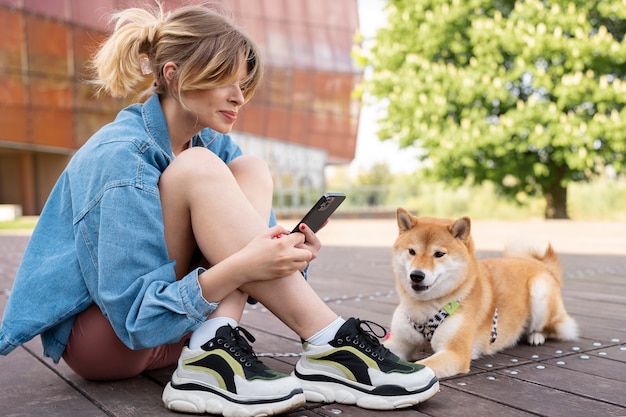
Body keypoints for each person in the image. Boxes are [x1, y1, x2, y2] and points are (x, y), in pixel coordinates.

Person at [0, 3, 439, 416]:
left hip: (185, 330)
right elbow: (136, 318)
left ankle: (215, 346)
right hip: (112, 339)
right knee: (198, 169)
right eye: (225, 80)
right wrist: (248, 262)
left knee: (250, 168)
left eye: (244, 84)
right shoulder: (121, 157)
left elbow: (258, 267)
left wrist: (285, 253)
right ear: (173, 74)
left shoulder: (213, 144)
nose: (239, 97)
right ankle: (329, 341)